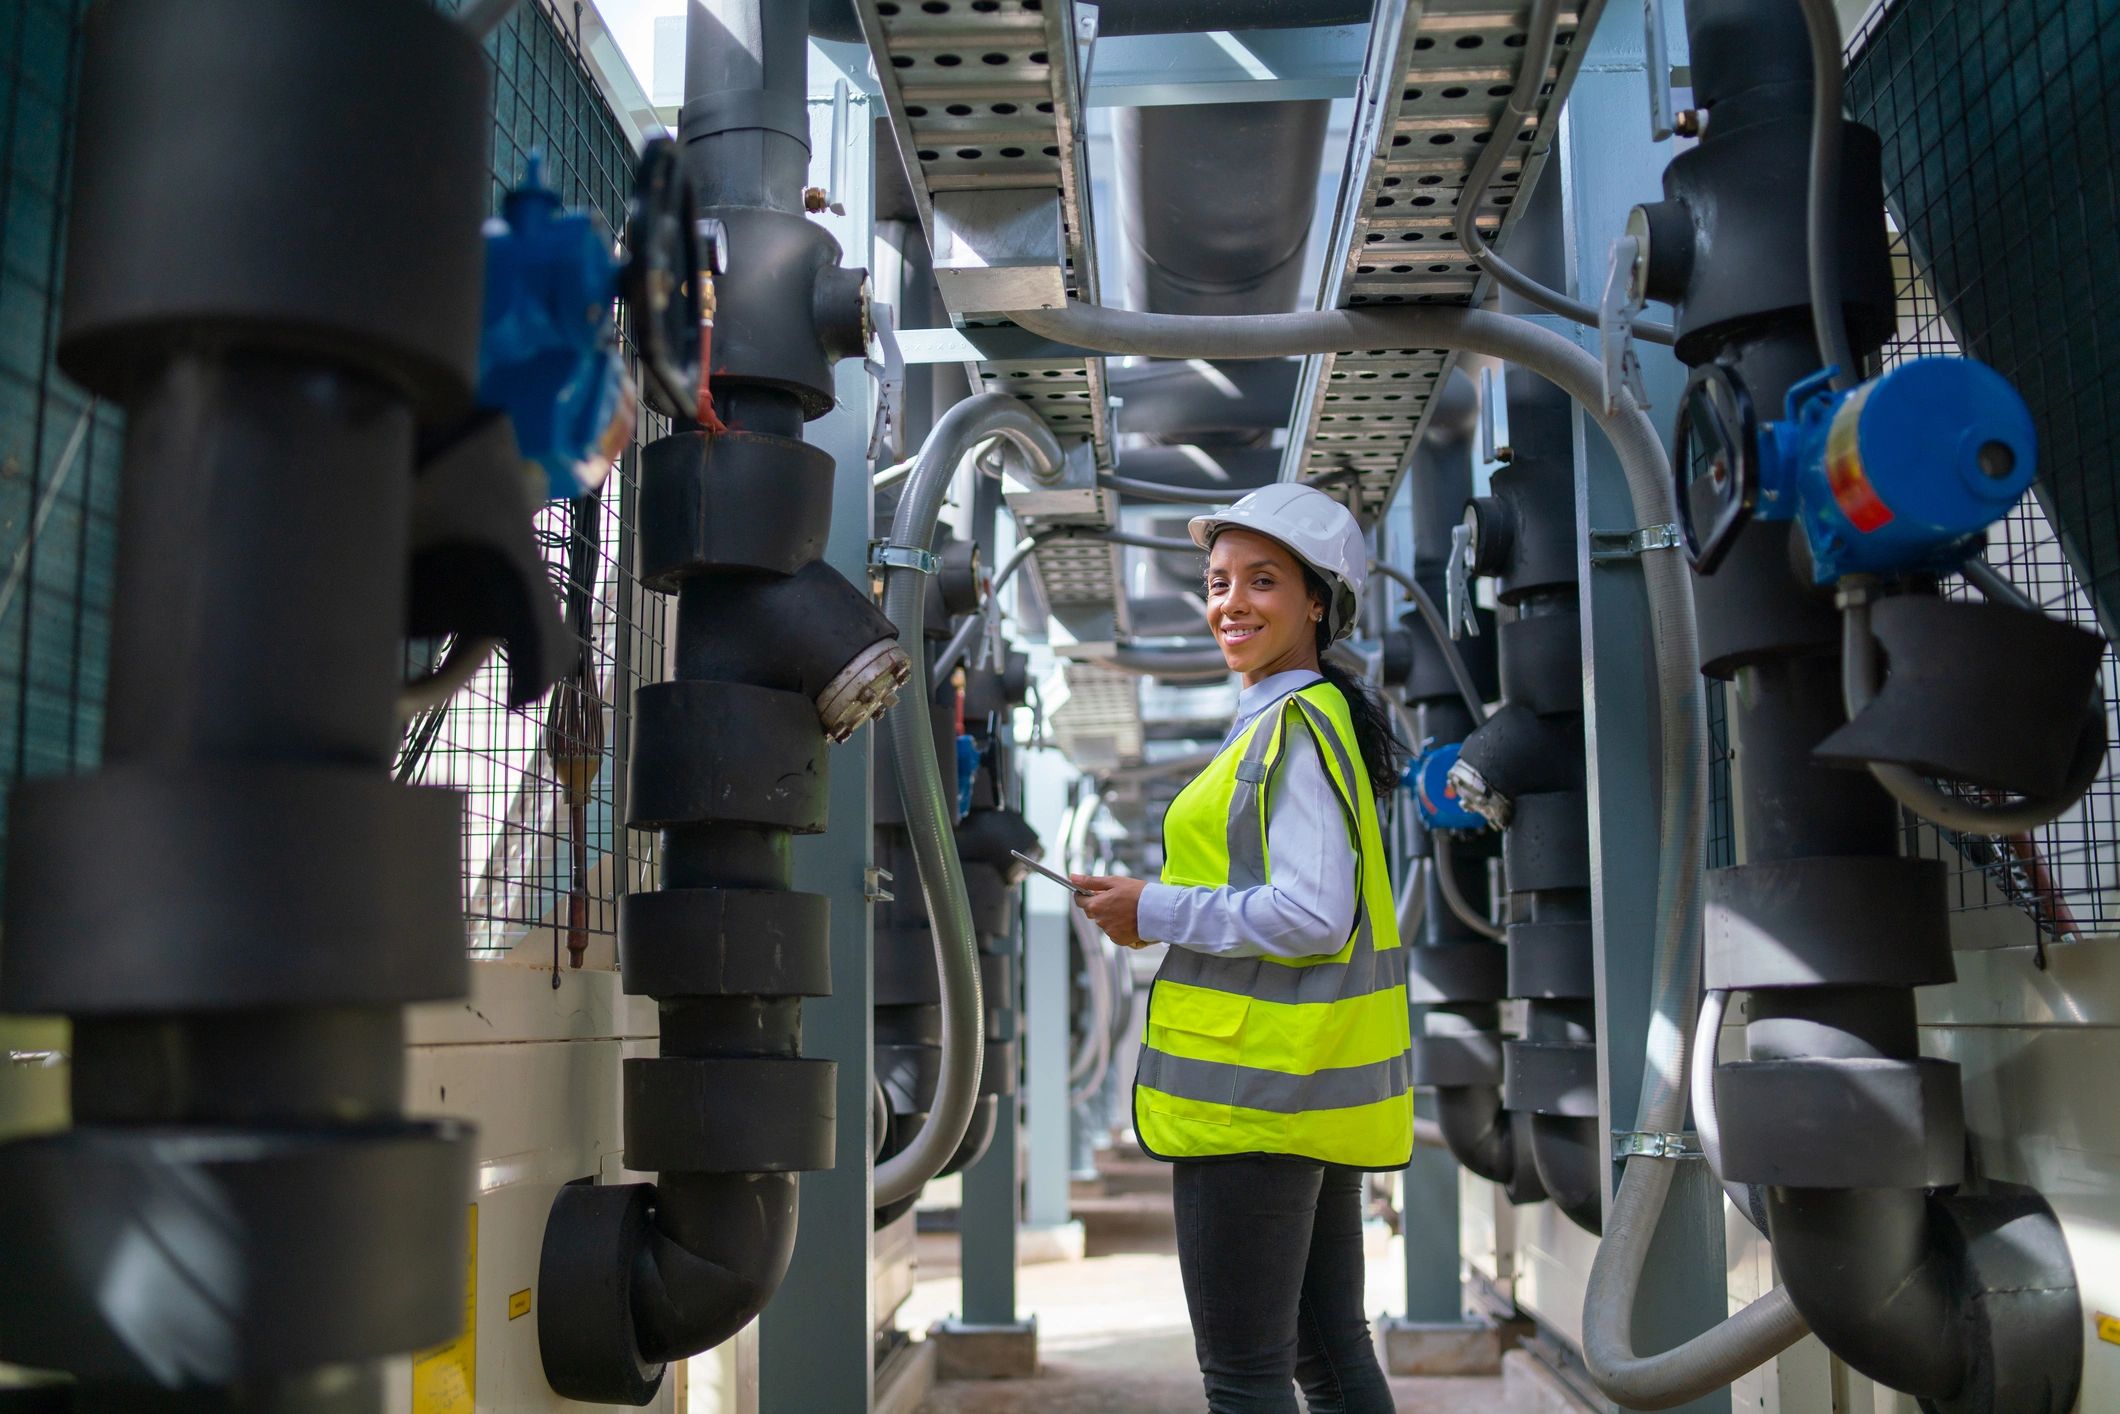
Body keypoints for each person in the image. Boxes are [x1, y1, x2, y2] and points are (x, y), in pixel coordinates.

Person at [1071, 483, 1412, 1414]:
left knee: (1247, 1375)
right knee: (1329, 1357)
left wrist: (1157, 908)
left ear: (1316, 602)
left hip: (1251, 1096)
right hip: (1290, 1090)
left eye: (1262, 582)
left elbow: (1311, 914)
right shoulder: (1292, 720)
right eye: (1218, 582)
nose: (1231, 603)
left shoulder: (1296, 729)